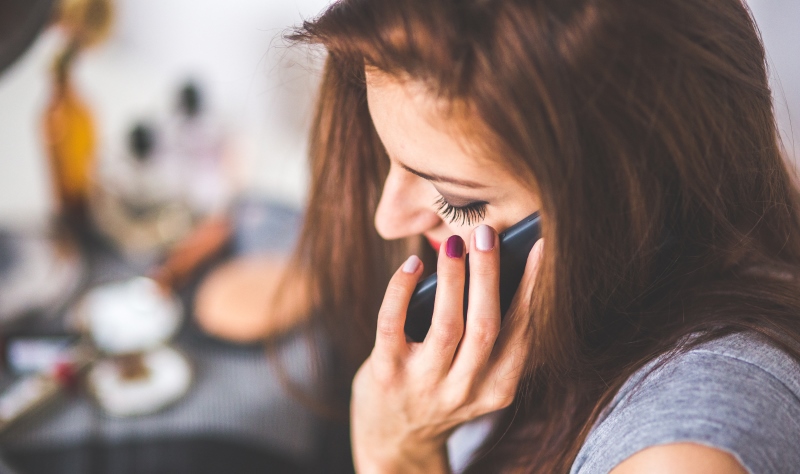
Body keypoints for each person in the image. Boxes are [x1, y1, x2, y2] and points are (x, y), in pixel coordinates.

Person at [249, 0, 800, 471]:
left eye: (458, 200)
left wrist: (398, 454)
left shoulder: (680, 458)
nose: (387, 220)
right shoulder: (589, 311)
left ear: (635, 205)